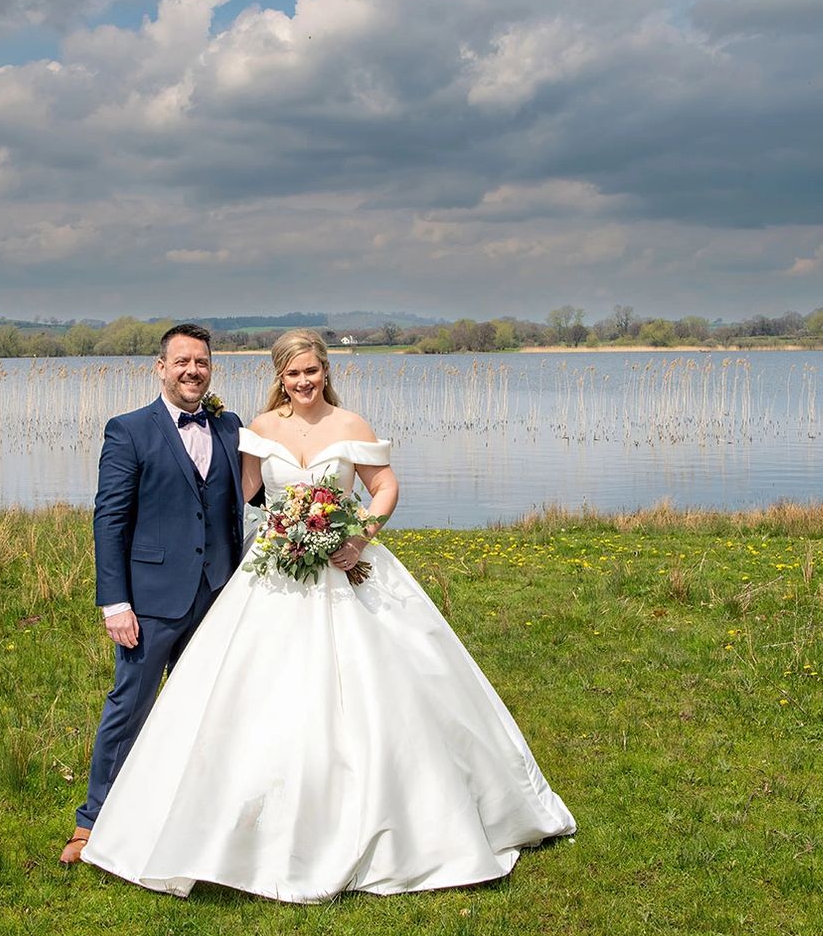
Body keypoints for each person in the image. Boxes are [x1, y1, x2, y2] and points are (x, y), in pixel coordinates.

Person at [81, 329, 576, 900]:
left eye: (311, 371)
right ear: (280, 377)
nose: (303, 381)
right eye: (293, 373)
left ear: (325, 371)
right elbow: (239, 495)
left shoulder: (350, 424)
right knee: (228, 696)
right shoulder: (255, 429)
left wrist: (357, 535)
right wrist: (278, 529)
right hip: (275, 575)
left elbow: (384, 488)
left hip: (346, 568)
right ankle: (134, 818)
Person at [59, 323, 246, 866]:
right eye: (182, 361)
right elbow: (110, 519)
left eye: (202, 362)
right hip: (151, 602)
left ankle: (191, 818)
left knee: (207, 710)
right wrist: (115, 602)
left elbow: (253, 495)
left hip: (217, 594)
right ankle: (92, 823)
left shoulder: (230, 426)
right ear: (160, 368)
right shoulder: (129, 430)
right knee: (129, 706)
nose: (193, 370)